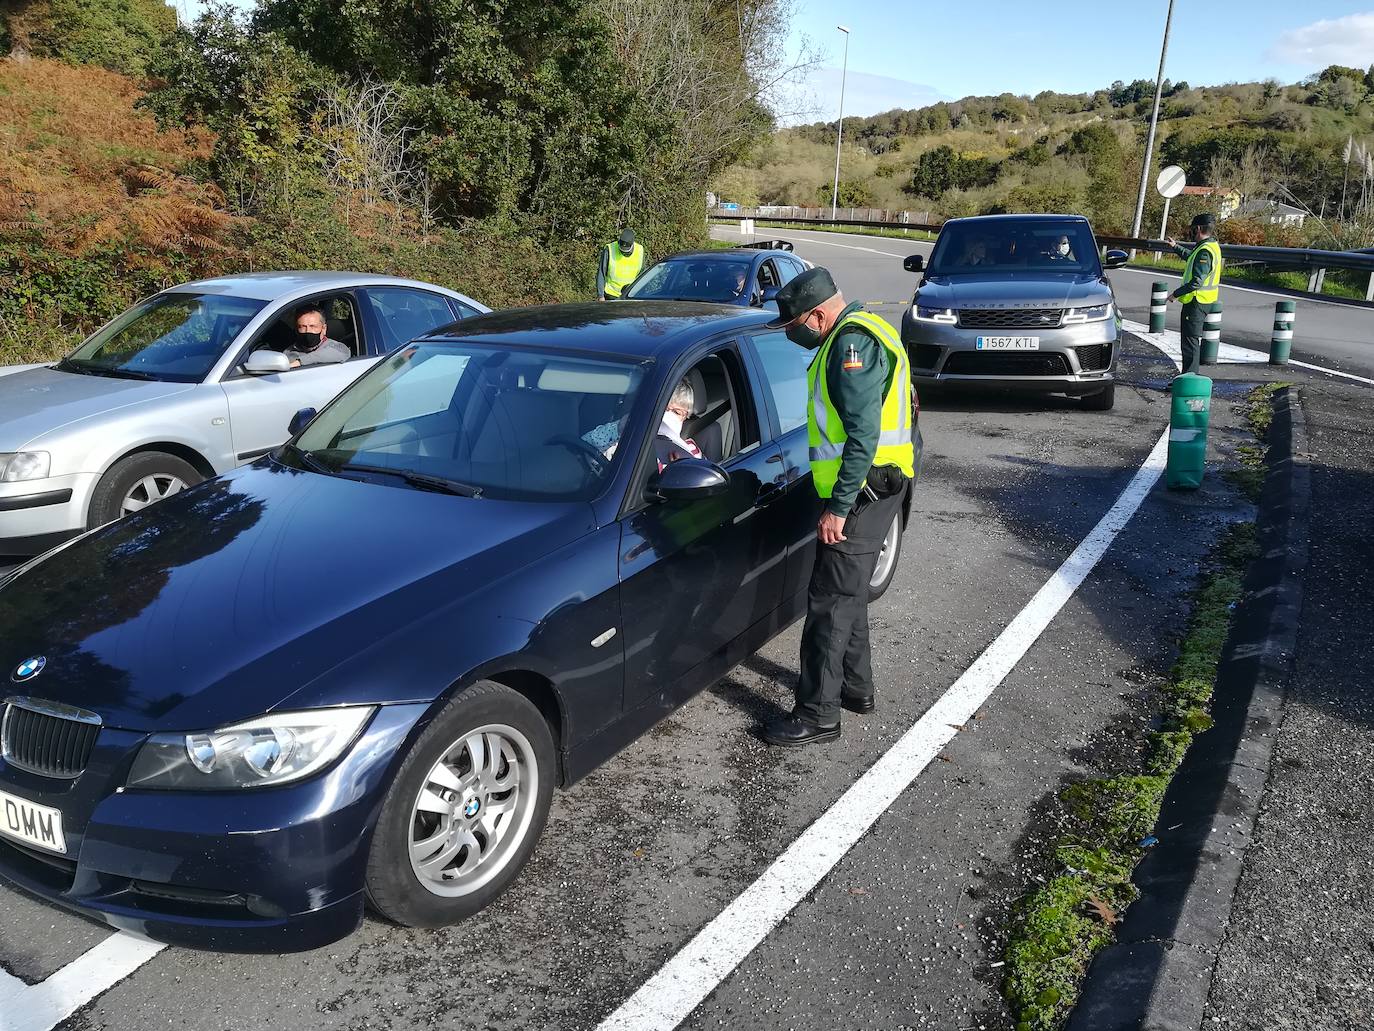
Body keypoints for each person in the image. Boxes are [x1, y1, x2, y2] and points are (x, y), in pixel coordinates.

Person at [760, 267, 915, 748]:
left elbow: (863, 436)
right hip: (882, 485)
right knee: (849, 596)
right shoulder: (868, 326)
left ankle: (817, 715)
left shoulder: (852, 346)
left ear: (820, 314)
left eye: (794, 323)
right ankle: (855, 688)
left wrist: (839, 508)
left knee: (827, 605)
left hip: (863, 491)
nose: (791, 332)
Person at [1166, 213, 1223, 375]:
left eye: (1192, 229)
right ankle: (1189, 377)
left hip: (1196, 302)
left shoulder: (1205, 251)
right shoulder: (1210, 246)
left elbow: (1197, 281)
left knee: (1190, 343)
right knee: (1190, 341)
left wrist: (1175, 294)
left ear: (1198, 229)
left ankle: (1189, 379)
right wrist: (1175, 247)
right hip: (1203, 301)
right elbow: (1192, 258)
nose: (1191, 232)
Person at [655, 377, 703, 468]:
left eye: (676, 412)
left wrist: (678, 471)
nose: (667, 415)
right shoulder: (633, 438)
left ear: (685, 417)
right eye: (663, 409)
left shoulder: (691, 451)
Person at [284, 306, 349, 368]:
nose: (308, 331)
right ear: (296, 329)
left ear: (324, 329)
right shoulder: (288, 353)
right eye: (303, 327)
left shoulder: (335, 347)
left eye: (313, 326)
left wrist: (299, 362)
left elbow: (345, 353)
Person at [598, 229, 647, 300]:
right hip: (611, 296)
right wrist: (601, 296)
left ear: (632, 244)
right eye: (621, 250)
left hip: (631, 296)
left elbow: (643, 275)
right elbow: (601, 273)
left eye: (626, 252)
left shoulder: (640, 250)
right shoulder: (610, 249)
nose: (623, 253)